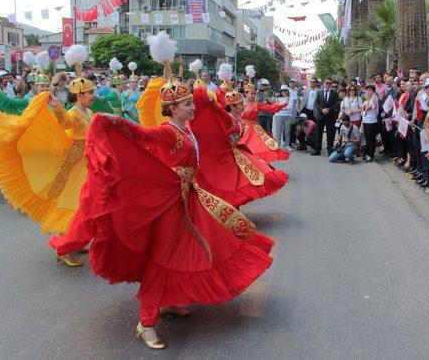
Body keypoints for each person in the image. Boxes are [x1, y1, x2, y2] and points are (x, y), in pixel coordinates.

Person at [49, 46, 274, 349]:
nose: (191, 108)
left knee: (198, 249)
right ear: (173, 109)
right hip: (171, 203)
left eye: (188, 104)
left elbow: (209, 114)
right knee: (164, 260)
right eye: (185, 105)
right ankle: (147, 321)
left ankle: (169, 301)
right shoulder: (168, 133)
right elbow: (140, 135)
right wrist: (111, 122)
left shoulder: (188, 129)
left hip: (190, 198)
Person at [0, 45, 96, 267]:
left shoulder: (89, 111)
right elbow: (66, 122)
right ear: (80, 95)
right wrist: (56, 107)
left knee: (87, 205)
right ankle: (64, 250)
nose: (94, 96)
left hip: (89, 163)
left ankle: (74, 241)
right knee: (75, 204)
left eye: (93, 92)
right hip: (76, 165)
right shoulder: (73, 113)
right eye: (90, 93)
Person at [240, 83, 290, 162]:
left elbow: (270, 108)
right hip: (241, 128)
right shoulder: (240, 104)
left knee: (256, 149)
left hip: (253, 129)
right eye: (251, 93)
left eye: (254, 93)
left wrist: (282, 105)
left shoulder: (256, 104)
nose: (253, 95)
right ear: (245, 94)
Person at [312, 77, 341, 156]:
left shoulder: (335, 93)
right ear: (324, 83)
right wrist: (322, 110)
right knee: (318, 133)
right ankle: (317, 150)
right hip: (320, 116)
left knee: (330, 134)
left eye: (330, 83)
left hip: (330, 116)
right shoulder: (319, 92)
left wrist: (328, 109)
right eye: (327, 83)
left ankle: (330, 151)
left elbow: (336, 104)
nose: (328, 85)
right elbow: (316, 103)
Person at [273, 85, 297, 151]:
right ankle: (278, 145)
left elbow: (290, 107)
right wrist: (277, 99)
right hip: (278, 116)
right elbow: (275, 106)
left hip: (288, 116)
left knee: (287, 131)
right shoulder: (278, 98)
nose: (284, 92)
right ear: (281, 91)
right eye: (282, 90)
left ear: (287, 91)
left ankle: (287, 145)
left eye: (285, 90)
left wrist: (280, 108)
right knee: (278, 132)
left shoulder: (290, 98)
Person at [361, 85, 379, 163]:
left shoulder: (374, 99)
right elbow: (362, 112)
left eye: (370, 90)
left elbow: (367, 108)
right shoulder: (365, 101)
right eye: (367, 90)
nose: (368, 92)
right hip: (365, 122)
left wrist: (368, 99)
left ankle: (370, 155)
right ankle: (367, 154)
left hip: (372, 122)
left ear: (373, 92)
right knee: (367, 139)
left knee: (371, 139)